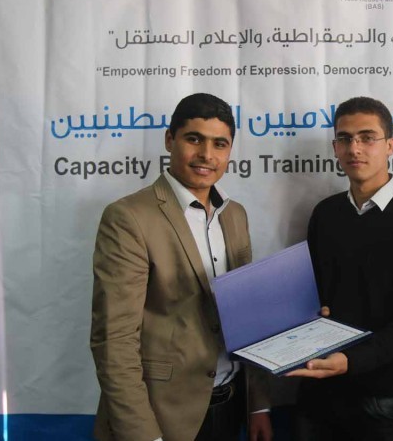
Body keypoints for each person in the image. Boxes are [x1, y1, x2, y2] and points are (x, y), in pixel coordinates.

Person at [90, 93, 272, 441]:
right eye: (194, 139)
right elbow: (114, 341)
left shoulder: (235, 215)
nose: (207, 155)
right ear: (169, 140)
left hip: (232, 405)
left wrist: (258, 404)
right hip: (162, 416)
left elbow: (248, 317)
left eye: (219, 144)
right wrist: (145, 436)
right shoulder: (129, 218)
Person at [287, 96, 393, 441]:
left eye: (367, 137)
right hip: (320, 394)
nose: (354, 148)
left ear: (390, 145)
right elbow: (313, 298)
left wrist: (351, 360)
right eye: (344, 139)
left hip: (387, 401)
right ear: (335, 147)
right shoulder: (325, 214)